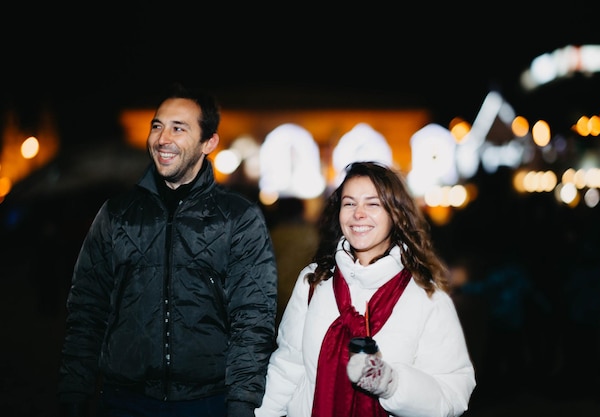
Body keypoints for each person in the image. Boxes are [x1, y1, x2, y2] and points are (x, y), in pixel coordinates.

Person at [57, 83, 278, 417]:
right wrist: (75, 390)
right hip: (123, 399)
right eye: (157, 126)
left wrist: (242, 401)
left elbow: (254, 316)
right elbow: (87, 307)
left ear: (209, 142)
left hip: (207, 401)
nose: (163, 138)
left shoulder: (238, 218)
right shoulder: (117, 213)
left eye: (179, 128)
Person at [255, 161, 476, 417]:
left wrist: (392, 385)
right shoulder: (314, 282)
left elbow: (453, 392)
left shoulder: (425, 294)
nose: (358, 214)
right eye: (349, 203)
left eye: (372, 203)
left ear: (395, 213)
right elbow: (287, 367)